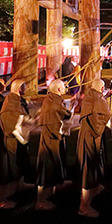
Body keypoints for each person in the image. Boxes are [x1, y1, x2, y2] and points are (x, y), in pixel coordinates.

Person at [0, 79, 35, 209]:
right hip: (12, 138)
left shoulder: (17, 100)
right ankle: (2, 199)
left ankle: (20, 183)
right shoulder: (11, 102)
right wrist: (28, 122)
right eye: (24, 87)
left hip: (19, 137)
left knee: (20, 161)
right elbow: (11, 119)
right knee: (8, 166)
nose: (26, 89)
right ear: (19, 88)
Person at [36, 79, 73, 210]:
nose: (64, 88)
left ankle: (58, 183)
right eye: (63, 87)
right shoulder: (56, 102)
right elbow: (66, 114)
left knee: (55, 161)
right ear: (58, 89)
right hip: (51, 136)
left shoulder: (50, 98)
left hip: (52, 134)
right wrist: (73, 106)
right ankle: (41, 200)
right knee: (48, 164)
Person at [77, 79, 112, 217]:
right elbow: (101, 117)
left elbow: (94, 108)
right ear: (102, 88)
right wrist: (107, 122)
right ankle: (84, 206)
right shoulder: (98, 100)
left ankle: (96, 187)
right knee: (89, 168)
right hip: (91, 138)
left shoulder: (90, 96)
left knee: (94, 164)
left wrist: (105, 97)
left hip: (85, 135)